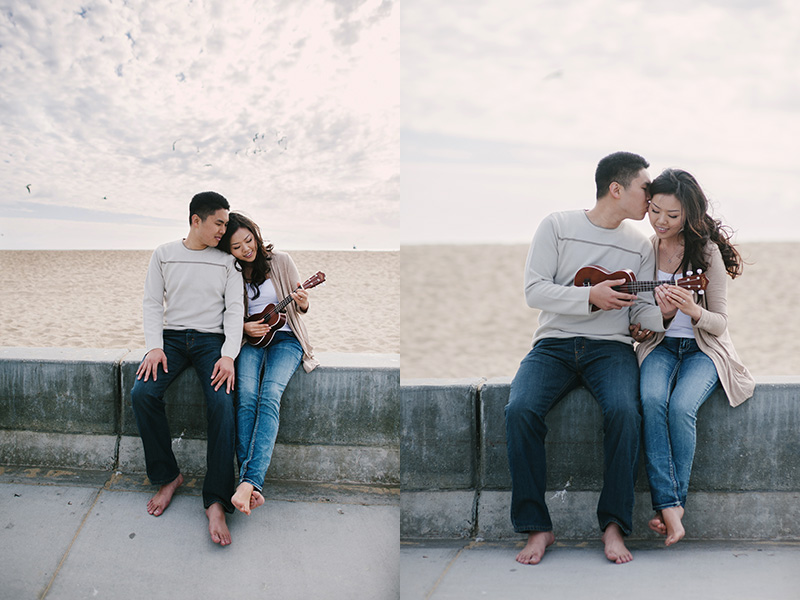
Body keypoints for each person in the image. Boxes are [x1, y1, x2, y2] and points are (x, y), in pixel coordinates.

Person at [505, 151, 671, 565]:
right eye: (644, 189)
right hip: (554, 344)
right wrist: (588, 297)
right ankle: (537, 527)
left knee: (625, 413)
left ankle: (613, 526)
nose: (649, 198)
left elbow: (641, 312)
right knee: (519, 410)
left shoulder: (640, 246)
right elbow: (534, 291)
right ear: (616, 189)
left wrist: (664, 312)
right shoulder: (558, 226)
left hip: (612, 349)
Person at [631, 168, 754, 546]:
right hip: (659, 346)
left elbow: (719, 322)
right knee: (652, 399)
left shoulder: (707, 252)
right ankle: (672, 509)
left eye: (672, 215)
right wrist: (652, 321)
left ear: (689, 214)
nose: (661, 222)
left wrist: (693, 310)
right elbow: (637, 316)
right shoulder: (644, 250)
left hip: (702, 349)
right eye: (655, 211)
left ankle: (670, 506)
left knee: (682, 405)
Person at [130, 191, 245, 546]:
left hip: (212, 342)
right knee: (142, 393)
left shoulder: (227, 262)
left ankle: (215, 500)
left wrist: (228, 354)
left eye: (226, 224)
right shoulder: (164, 254)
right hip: (173, 340)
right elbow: (152, 302)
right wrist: (154, 347)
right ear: (196, 220)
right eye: (219, 223)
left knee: (223, 404)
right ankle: (169, 477)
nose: (223, 231)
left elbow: (234, 311)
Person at [217, 212, 319, 515]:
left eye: (249, 240)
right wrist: (245, 328)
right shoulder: (231, 272)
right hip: (251, 341)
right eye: (237, 246)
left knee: (269, 395)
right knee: (245, 398)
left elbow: (303, 307)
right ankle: (250, 485)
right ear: (229, 250)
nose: (246, 249)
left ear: (256, 234)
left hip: (286, 340)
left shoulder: (281, 261)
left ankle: (248, 482)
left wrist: (301, 300)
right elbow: (225, 314)